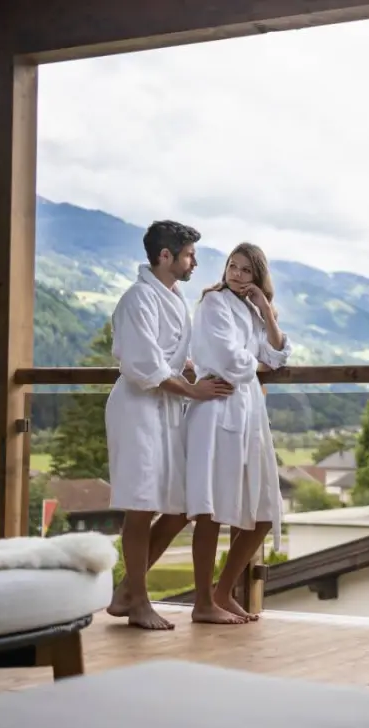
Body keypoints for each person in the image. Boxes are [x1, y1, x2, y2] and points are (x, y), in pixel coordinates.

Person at [105, 220, 233, 630]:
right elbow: (144, 365)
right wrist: (195, 392)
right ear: (166, 256)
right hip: (138, 409)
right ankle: (138, 602)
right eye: (190, 254)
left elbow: (169, 354)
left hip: (166, 410)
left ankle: (127, 591)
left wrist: (193, 368)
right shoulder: (138, 299)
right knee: (141, 506)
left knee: (180, 507)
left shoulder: (173, 297)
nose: (194, 262)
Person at [185, 243, 291, 624]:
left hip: (247, 412)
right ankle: (202, 602)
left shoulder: (252, 311)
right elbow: (229, 359)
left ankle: (223, 590)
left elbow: (277, 357)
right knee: (211, 509)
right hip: (215, 409)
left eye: (247, 270)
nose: (237, 275)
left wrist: (266, 311)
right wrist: (255, 362)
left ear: (258, 277)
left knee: (263, 510)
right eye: (233, 266)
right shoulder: (213, 304)